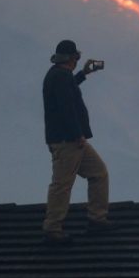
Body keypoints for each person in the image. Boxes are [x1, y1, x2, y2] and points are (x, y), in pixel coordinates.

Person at [41, 39, 114, 243]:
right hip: (69, 141)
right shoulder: (61, 77)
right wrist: (77, 134)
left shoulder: (59, 75)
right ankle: (53, 228)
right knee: (62, 185)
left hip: (71, 140)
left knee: (98, 173)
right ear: (72, 58)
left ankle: (97, 218)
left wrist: (83, 74)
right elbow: (66, 107)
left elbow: (68, 91)